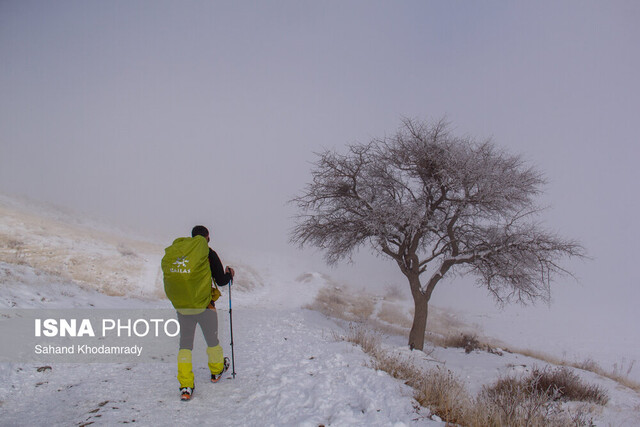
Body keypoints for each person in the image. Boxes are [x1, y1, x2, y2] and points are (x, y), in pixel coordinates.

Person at [175, 225, 234, 401]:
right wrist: (229, 274)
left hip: (183, 306)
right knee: (212, 340)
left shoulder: (181, 253)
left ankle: (186, 385)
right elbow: (221, 281)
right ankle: (216, 371)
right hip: (204, 306)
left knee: (185, 345)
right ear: (207, 237)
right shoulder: (209, 254)